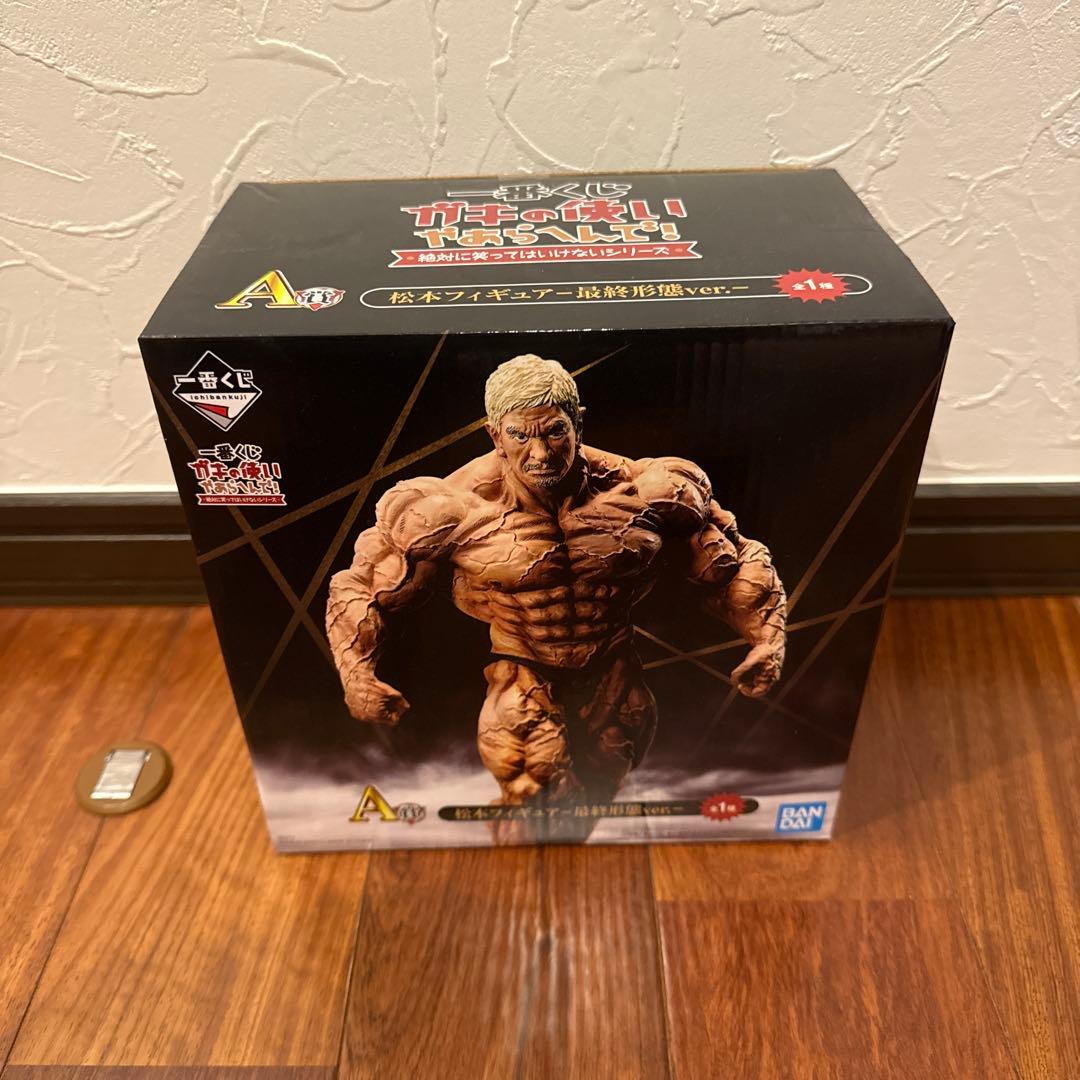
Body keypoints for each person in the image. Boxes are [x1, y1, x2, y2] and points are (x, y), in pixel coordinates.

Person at [327, 354, 786, 832]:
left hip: (614, 668)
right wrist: (356, 673)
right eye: (520, 436)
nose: (541, 454)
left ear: (578, 423)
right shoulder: (447, 507)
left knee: (590, 804)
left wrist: (766, 641)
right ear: (494, 435)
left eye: (554, 432)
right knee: (535, 794)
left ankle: (563, 864)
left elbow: (731, 559)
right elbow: (363, 584)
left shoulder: (649, 488)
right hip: (523, 667)